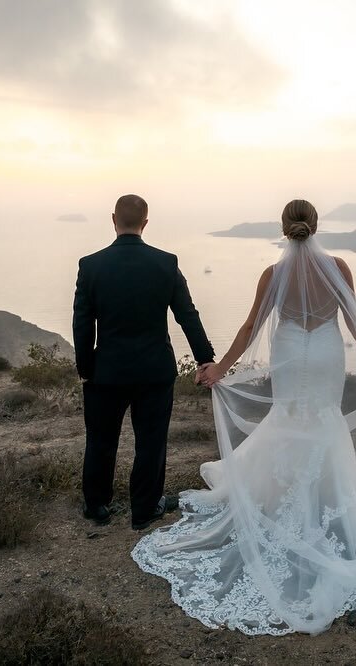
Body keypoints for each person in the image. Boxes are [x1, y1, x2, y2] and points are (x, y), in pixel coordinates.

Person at [131, 199, 356, 635]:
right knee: (324, 423)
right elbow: (355, 321)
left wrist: (220, 368)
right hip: (328, 354)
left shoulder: (273, 274)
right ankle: (328, 507)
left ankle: (279, 504)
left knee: (290, 420)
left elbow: (250, 328)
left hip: (292, 354)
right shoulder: (338, 266)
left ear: (284, 227)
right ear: (316, 226)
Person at [73, 194, 215, 530]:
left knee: (100, 440)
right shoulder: (166, 263)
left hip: (105, 371)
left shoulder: (90, 265)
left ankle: (97, 507)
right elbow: (187, 315)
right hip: (154, 371)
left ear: (113, 220)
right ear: (145, 223)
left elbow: (82, 322)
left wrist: (85, 368)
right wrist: (205, 358)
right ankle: (144, 509)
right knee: (151, 441)